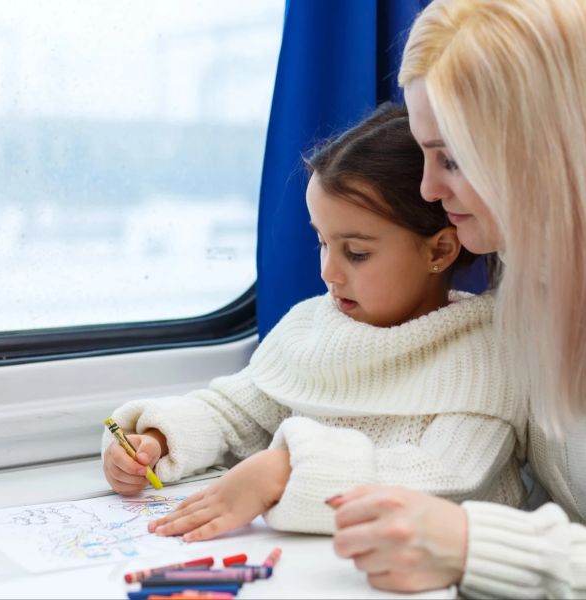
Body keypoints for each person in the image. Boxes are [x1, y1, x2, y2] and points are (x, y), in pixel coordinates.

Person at [330, 0, 586, 597]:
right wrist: (306, 469)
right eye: (425, 153)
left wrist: (472, 547)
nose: (427, 188)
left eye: (454, 158)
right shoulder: (533, 263)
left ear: (549, 144)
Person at [101, 102, 527, 541]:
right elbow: (233, 412)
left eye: (356, 253)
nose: (328, 271)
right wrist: (156, 440)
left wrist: (285, 470)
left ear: (438, 252)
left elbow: (447, 476)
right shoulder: (311, 326)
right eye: (322, 242)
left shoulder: (483, 352)